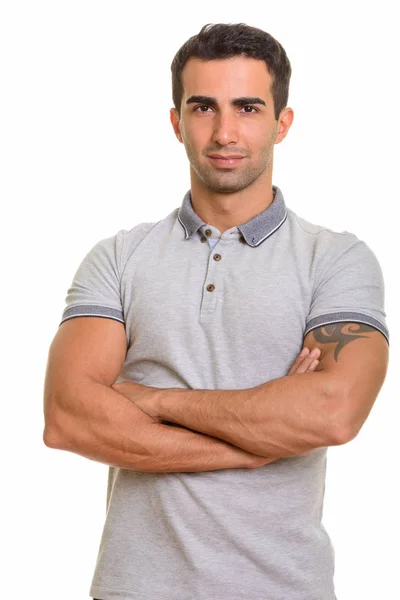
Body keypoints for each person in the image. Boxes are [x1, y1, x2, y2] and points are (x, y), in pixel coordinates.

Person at [43, 22, 389, 600]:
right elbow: (68, 418)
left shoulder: (337, 260)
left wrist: (153, 400)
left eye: (248, 108)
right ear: (177, 121)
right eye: (203, 107)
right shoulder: (120, 258)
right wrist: (259, 442)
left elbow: (332, 412)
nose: (225, 131)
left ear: (282, 123)